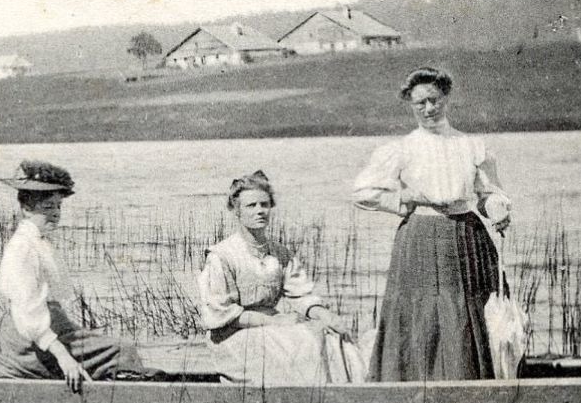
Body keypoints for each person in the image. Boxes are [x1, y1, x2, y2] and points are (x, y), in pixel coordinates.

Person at [352, 67, 512, 381]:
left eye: (434, 100)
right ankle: (413, 386)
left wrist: (497, 210)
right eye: (420, 104)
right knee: (420, 313)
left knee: (466, 310)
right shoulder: (402, 148)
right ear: (410, 105)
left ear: (446, 98)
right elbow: (362, 192)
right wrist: (406, 198)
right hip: (420, 238)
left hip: (467, 236)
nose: (428, 109)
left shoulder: (471, 146)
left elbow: (487, 193)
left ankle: (469, 385)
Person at [0, 160, 150, 389]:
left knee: (117, 348)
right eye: (48, 207)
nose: (56, 214)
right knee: (122, 351)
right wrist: (63, 356)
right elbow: (28, 313)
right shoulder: (23, 248)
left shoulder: (38, 242)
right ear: (26, 208)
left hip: (45, 333)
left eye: (58, 206)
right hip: (27, 346)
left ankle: (120, 391)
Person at [198, 171, 365, 384]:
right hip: (234, 336)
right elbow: (221, 315)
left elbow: (301, 295)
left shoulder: (280, 253)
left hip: (272, 328)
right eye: (251, 206)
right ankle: (309, 400)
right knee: (300, 343)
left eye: (264, 204)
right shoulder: (222, 256)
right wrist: (274, 321)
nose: (260, 211)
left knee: (331, 336)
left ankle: (344, 396)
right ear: (237, 211)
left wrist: (324, 315)